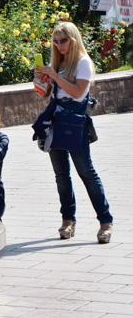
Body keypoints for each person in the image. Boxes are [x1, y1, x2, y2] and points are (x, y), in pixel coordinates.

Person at [33, 21, 113, 243]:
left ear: (74, 40)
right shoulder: (57, 62)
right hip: (55, 121)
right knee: (61, 175)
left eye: (64, 40)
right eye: (56, 41)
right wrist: (41, 82)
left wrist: (56, 76)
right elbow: (46, 95)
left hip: (75, 123)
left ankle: (105, 221)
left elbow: (78, 93)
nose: (59, 45)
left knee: (86, 172)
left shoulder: (83, 62)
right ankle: (68, 220)